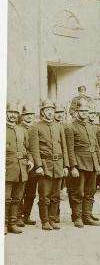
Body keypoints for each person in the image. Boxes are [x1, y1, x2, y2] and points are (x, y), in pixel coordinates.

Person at [29, 99, 70, 231]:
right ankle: (45, 221)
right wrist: (38, 166)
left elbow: (64, 147)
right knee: (44, 196)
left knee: (55, 196)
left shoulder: (59, 127)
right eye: (47, 110)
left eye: (52, 110)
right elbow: (34, 149)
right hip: (45, 166)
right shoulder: (36, 127)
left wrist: (65, 166)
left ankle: (53, 219)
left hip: (58, 165)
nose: (50, 113)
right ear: (42, 112)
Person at [64, 99, 100, 228]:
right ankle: (77, 217)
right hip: (79, 164)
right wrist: (73, 167)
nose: (84, 113)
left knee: (90, 191)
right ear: (76, 112)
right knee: (78, 192)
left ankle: (87, 216)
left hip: (92, 164)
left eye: (86, 111)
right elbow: (70, 149)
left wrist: (98, 164)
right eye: (81, 111)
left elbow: (96, 146)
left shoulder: (91, 127)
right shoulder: (70, 127)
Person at [5, 102, 34, 234]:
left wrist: (31, 160)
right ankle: (4, 225)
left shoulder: (21, 130)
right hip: (7, 168)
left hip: (22, 169)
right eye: (10, 112)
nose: (12, 115)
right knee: (5, 199)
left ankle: (12, 223)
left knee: (17, 198)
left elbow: (28, 149)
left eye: (15, 113)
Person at [17, 103, 37, 227]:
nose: (29, 117)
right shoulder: (18, 128)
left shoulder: (36, 128)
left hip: (35, 165)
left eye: (31, 114)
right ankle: (18, 216)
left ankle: (27, 215)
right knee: (20, 191)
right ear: (22, 116)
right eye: (26, 114)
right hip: (22, 164)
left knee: (31, 192)